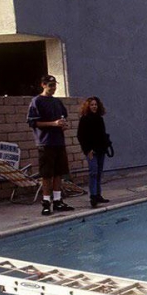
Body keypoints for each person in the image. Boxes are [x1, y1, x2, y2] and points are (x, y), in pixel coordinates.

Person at [27, 74, 74, 216]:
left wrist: (63, 125)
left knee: (58, 172)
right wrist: (53, 124)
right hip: (45, 143)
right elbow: (33, 122)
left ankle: (58, 200)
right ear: (43, 85)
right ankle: (46, 202)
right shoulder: (37, 101)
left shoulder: (57, 102)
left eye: (54, 86)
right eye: (50, 86)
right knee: (47, 174)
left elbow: (63, 118)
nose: (53, 88)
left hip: (58, 141)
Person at [77, 96, 111, 208]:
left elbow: (102, 134)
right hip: (91, 151)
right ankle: (93, 196)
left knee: (99, 172)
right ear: (88, 106)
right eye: (92, 105)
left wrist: (106, 145)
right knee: (93, 172)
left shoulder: (99, 119)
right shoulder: (85, 119)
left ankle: (98, 194)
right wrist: (87, 150)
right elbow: (81, 136)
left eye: (95, 105)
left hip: (101, 149)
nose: (94, 107)